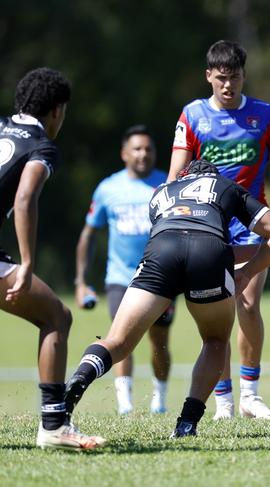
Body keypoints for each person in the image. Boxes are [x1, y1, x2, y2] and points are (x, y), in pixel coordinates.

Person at [64, 159, 270, 439]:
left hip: (161, 251)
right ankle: (186, 424)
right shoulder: (225, 186)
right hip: (209, 253)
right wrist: (251, 269)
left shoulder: (161, 193)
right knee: (216, 341)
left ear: (183, 177)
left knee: (119, 340)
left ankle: (77, 381)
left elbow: (183, 236)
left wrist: (248, 254)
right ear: (212, 176)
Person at [168, 40, 270, 420]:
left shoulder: (265, 114)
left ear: (244, 76)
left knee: (247, 303)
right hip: (206, 222)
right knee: (217, 310)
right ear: (208, 76)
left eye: (236, 78)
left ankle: (251, 395)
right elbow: (177, 174)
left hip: (250, 222)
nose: (229, 86)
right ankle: (222, 399)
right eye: (222, 79)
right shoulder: (191, 115)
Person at [0, 67, 103, 449]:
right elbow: (25, 198)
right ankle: (54, 425)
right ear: (58, 110)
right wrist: (27, 263)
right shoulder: (40, 146)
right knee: (55, 317)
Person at [75, 125, 175, 415]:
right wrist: (80, 281)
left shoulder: (166, 185)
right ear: (124, 153)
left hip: (161, 276)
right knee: (121, 337)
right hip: (121, 279)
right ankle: (125, 405)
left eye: (149, 149)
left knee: (160, 341)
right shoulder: (108, 188)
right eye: (137, 149)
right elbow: (88, 234)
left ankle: (160, 399)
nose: (143, 154)